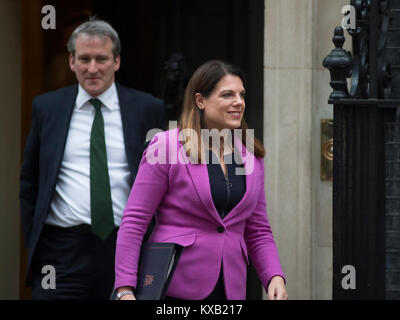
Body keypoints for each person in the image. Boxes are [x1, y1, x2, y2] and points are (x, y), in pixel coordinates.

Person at [114, 60, 287, 300]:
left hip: (230, 288)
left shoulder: (250, 155)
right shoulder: (166, 146)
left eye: (241, 94)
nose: (239, 102)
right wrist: (125, 288)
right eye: (227, 95)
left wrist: (274, 276)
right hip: (174, 286)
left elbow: (258, 230)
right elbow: (135, 221)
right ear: (200, 100)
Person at [19, 19, 166, 299]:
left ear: (117, 61)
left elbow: (162, 181)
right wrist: (37, 244)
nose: (93, 68)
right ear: (72, 61)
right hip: (61, 250)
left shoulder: (147, 109)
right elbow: (30, 181)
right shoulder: (47, 108)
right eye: (84, 59)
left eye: (102, 59)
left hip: (125, 247)